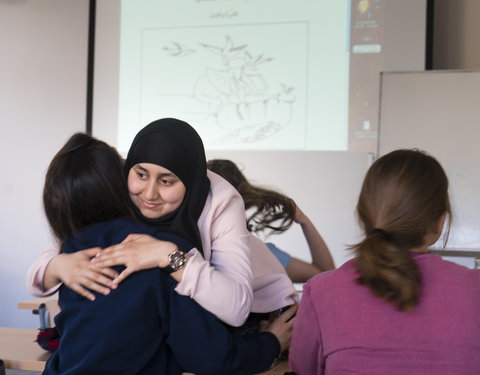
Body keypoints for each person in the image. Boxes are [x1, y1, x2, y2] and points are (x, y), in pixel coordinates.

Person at [41, 132, 295, 375]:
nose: (150, 193)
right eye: (141, 174)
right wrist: (271, 342)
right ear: (122, 179)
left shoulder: (74, 249)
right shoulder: (161, 249)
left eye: (166, 180)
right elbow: (210, 358)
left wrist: (55, 266)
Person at [288, 149, 480, 375]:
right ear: (440, 222)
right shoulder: (474, 288)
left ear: (363, 216)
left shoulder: (321, 291)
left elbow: (303, 370)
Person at [207, 158, 335, 282]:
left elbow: (326, 275)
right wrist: (305, 221)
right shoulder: (260, 253)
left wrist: (305, 221)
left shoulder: (191, 251)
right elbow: (327, 275)